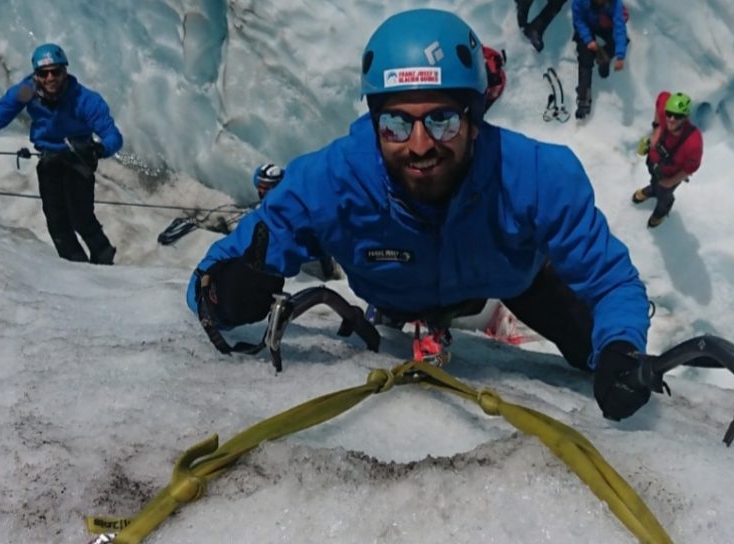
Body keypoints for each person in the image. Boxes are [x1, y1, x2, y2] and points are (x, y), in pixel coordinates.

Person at [186, 8, 653, 422]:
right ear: (374, 124)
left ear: (474, 120)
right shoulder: (330, 182)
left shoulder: (537, 176)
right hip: (397, 298)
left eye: (442, 120)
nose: (420, 144)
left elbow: (611, 281)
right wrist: (223, 294)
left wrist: (620, 345)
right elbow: (210, 274)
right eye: (395, 123)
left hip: (512, 283)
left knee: (595, 350)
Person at [0, 44, 123, 264]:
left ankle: (103, 255)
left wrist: (99, 149)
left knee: (80, 216)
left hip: (78, 157)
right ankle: (78, 269)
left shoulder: (85, 100)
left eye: (56, 71)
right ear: (36, 75)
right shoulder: (27, 91)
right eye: (43, 73)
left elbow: (113, 136)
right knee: (56, 221)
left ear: (65, 71)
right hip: (49, 158)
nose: (50, 77)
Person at [632, 91, 703, 228]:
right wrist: (656, 128)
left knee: (664, 194)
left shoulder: (693, 142)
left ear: (685, 116)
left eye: (677, 116)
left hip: (670, 174)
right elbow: (661, 97)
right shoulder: (665, 109)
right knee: (654, 180)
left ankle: (661, 212)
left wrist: (670, 182)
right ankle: (652, 190)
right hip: (654, 161)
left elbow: (690, 168)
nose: (671, 119)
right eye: (669, 113)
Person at [571, 0, 628, 119]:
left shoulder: (615, 3)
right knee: (585, 59)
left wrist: (620, 55)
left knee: (621, 41)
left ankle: (603, 57)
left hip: (604, 26)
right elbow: (578, 20)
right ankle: (583, 99)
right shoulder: (580, 1)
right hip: (586, 27)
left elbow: (619, 27)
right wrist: (588, 39)